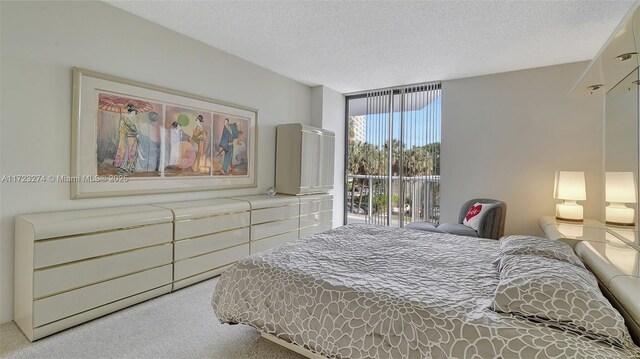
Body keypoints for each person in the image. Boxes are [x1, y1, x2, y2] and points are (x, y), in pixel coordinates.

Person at [113, 103, 139, 175]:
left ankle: (129, 167)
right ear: (133, 111)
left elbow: (133, 128)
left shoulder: (129, 118)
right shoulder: (126, 118)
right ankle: (125, 167)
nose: (135, 114)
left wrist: (136, 133)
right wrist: (136, 133)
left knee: (132, 153)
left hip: (132, 138)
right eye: (135, 112)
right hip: (129, 137)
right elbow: (132, 129)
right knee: (129, 153)